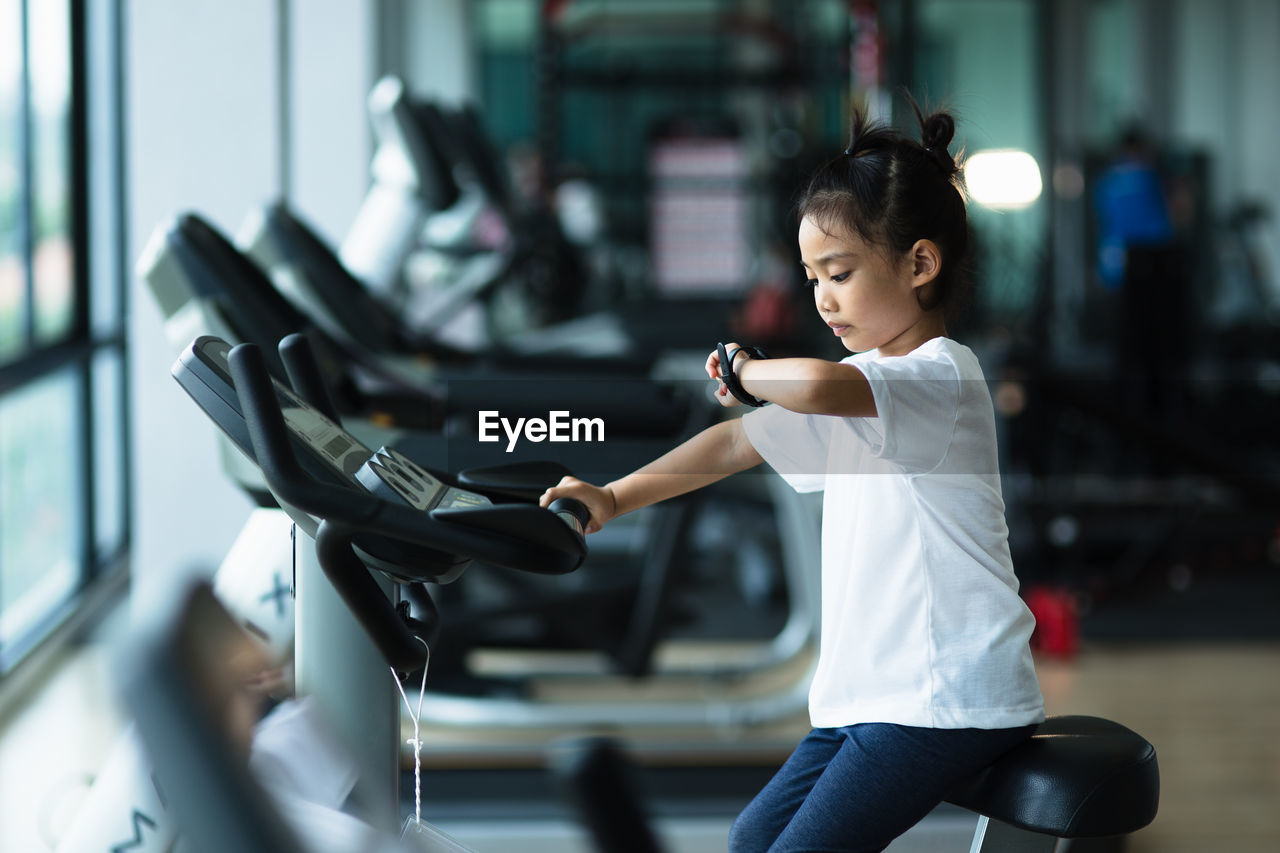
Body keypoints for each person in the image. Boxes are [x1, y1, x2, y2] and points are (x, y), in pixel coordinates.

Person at [540, 104, 1045, 853]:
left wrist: (745, 369)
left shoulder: (940, 377)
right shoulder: (864, 382)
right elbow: (735, 443)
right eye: (812, 278)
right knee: (753, 839)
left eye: (839, 273)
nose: (823, 297)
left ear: (920, 264)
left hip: (946, 698)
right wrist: (614, 496)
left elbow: (809, 385)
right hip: (867, 699)